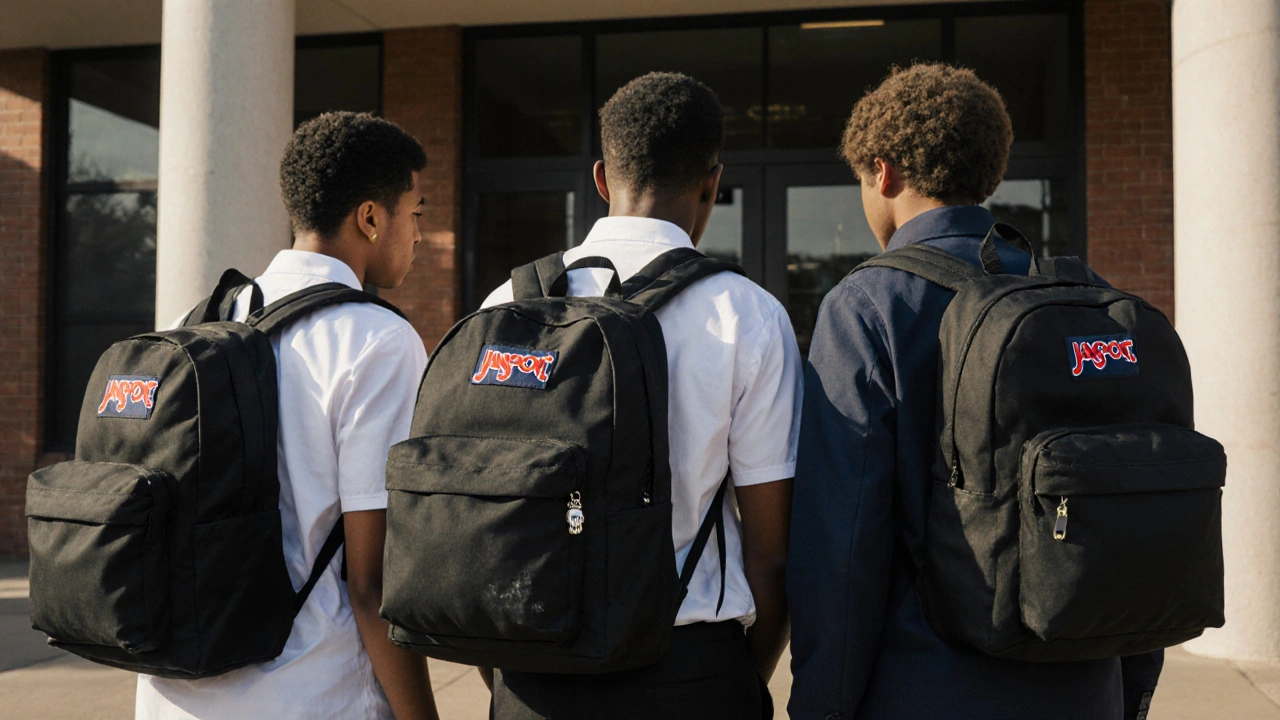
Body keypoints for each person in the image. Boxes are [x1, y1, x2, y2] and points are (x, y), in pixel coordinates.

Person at [786, 64, 1164, 720]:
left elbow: (842, 550)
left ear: (884, 172)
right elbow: (1131, 521)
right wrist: (1124, 691)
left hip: (923, 690)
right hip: (1084, 687)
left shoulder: (868, 306)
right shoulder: (1087, 300)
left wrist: (820, 706)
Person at [479, 72, 801, 719]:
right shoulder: (749, 316)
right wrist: (739, 677)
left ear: (601, 179)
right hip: (689, 670)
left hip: (531, 667)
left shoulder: (507, 307)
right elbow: (771, 557)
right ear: (713, 183)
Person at [136, 112, 439, 720]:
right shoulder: (376, 339)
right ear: (371, 218)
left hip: (172, 694)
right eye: (416, 213)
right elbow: (373, 585)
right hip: (310, 694)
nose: (420, 235)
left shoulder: (202, 320)